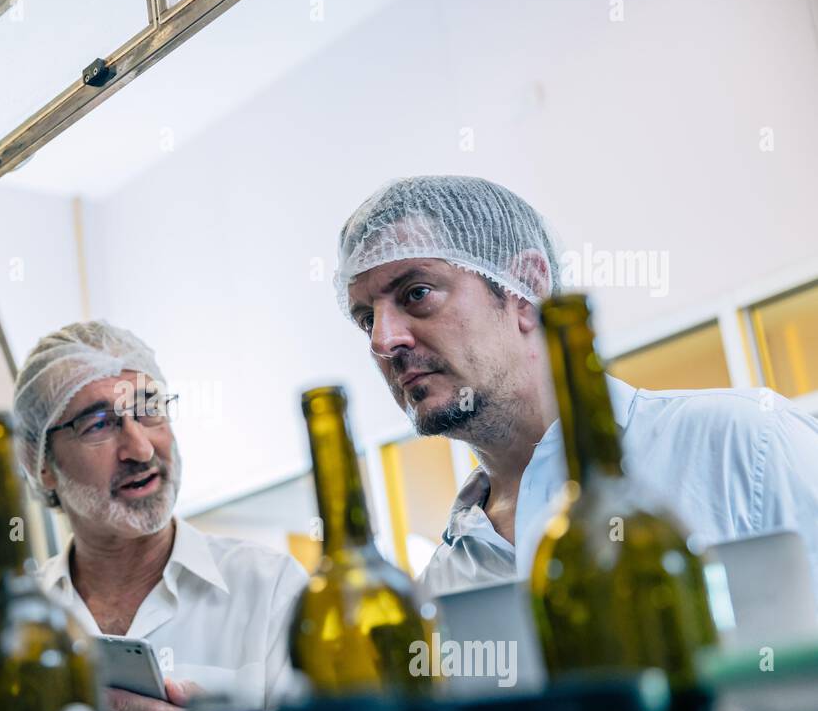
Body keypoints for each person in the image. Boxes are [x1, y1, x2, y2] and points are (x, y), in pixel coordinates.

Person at [332, 174, 818, 600]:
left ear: (524, 289)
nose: (383, 340)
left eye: (416, 294)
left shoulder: (743, 443)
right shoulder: (447, 578)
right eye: (366, 319)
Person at [0, 321, 306, 711]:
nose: (141, 448)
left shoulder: (270, 589)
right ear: (40, 464)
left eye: (149, 410)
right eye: (98, 424)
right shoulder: (16, 632)